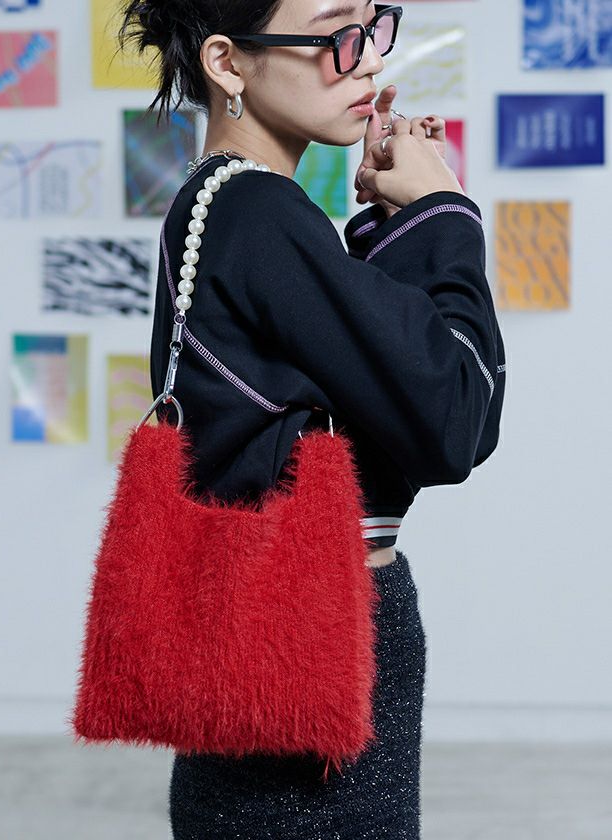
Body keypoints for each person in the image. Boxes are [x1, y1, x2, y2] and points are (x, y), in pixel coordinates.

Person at [118, 1, 506, 837]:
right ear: (228, 63)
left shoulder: (220, 206)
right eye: (335, 36)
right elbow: (454, 417)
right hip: (313, 632)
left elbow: (364, 385)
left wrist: (395, 220)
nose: (367, 60)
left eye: (373, 26)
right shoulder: (260, 212)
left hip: (262, 629)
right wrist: (443, 209)